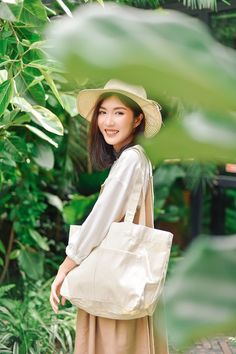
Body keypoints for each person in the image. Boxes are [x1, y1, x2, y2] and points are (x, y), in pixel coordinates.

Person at [50, 79, 169, 354]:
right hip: (124, 281)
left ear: (137, 119)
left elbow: (101, 219)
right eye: (103, 112)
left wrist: (66, 266)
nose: (108, 121)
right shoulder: (136, 158)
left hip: (115, 284)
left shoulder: (130, 160)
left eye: (119, 112)